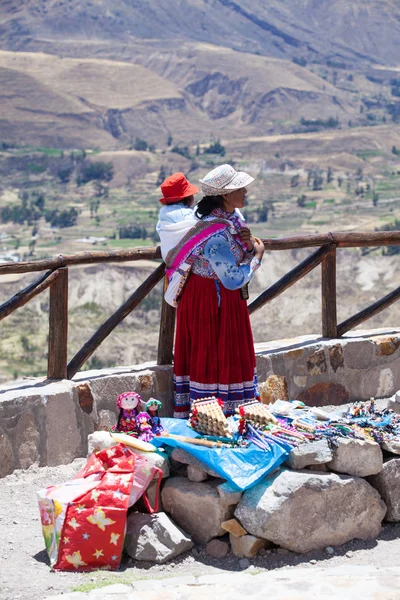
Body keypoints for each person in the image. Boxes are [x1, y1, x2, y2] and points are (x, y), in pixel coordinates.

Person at [171, 164, 265, 418]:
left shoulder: (231, 222)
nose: (245, 191)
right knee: (212, 352)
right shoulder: (216, 234)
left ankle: (224, 411)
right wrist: (256, 256)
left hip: (219, 298)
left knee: (219, 352)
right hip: (210, 300)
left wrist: (246, 245)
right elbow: (233, 278)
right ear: (225, 195)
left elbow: (235, 258)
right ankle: (211, 414)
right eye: (239, 188)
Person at [156, 172, 199, 260]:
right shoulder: (185, 214)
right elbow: (197, 225)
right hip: (185, 259)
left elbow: (160, 230)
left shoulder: (163, 213)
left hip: (169, 258)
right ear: (189, 198)